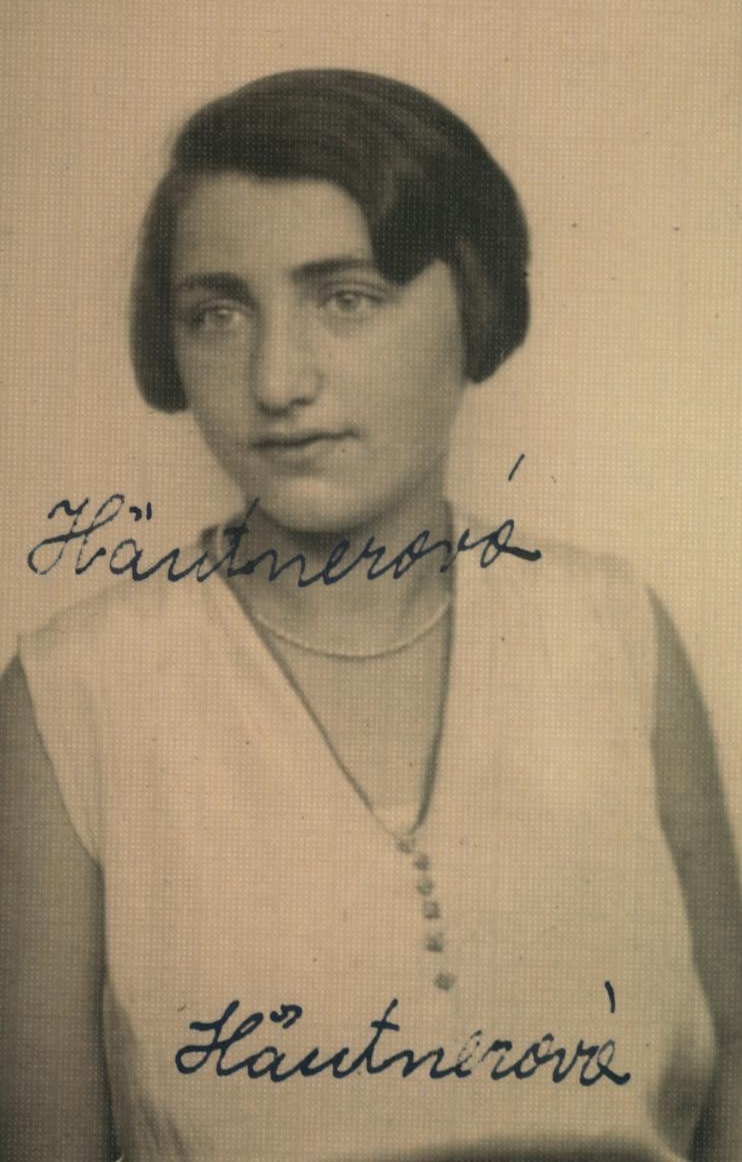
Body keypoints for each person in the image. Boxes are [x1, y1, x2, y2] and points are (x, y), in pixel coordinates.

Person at [1, 69, 740, 1162]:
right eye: (217, 312)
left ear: (473, 302)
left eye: (345, 297)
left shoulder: (615, 635)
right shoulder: (75, 693)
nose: (276, 378)